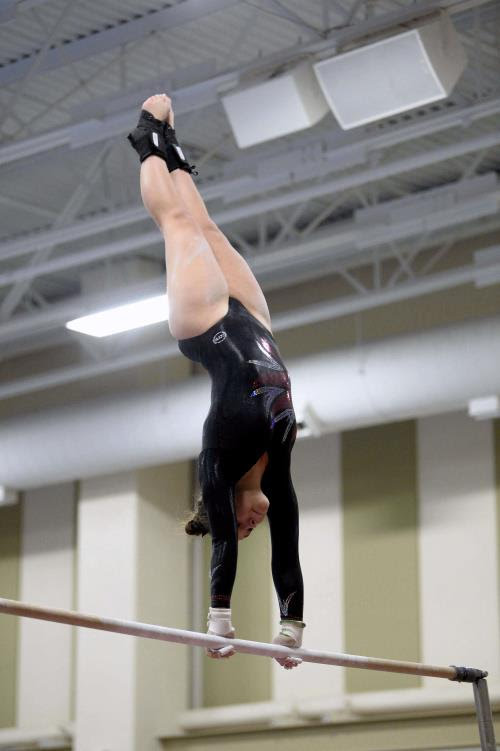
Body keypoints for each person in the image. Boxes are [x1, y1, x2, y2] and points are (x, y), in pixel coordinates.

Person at [127, 94, 305, 669]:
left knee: (177, 223)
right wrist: (291, 629)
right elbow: (290, 549)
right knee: (205, 221)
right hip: (254, 321)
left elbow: (223, 545)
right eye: (256, 526)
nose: (255, 524)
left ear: (226, 504)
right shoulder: (276, 467)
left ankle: (147, 136)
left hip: (204, 326)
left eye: (245, 522)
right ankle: (173, 150)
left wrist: (219, 624)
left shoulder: (219, 464)